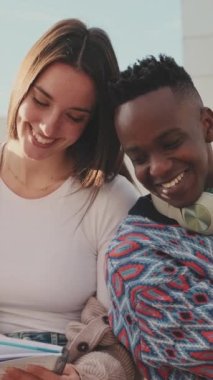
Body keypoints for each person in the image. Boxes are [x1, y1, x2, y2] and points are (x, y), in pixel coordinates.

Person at [0, 18, 140, 380]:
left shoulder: (110, 200)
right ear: (23, 85)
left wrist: (81, 378)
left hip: (66, 366)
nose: (48, 127)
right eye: (40, 101)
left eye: (73, 117)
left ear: (92, 124)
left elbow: (123, 342)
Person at [106, 55, 213, 380]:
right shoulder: (134, 257)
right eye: (139, 157)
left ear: (207, 124)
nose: (158, 168)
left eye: (170, 143)